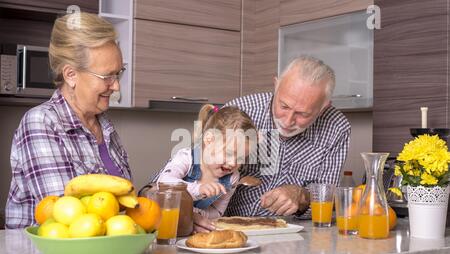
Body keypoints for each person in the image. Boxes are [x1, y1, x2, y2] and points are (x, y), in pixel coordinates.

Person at [5, 12, 131, 229]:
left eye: (118, 74)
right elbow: (67, 217)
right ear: (71, 75)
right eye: (107, 76)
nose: (116, 86)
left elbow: (125, 201)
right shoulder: (40, 122)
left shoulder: (105, 126)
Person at [199, 56, 349, 229]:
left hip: (290, 233)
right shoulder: (239, 111)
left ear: (324, 107)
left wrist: (303, 197)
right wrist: (191, 212)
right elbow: (187, 174)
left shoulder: (337, 128)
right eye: (284, 106)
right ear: (276, 85)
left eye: (303, 114)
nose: (288, 120)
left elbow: (326, 200)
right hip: (222, 227)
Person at [155, 104, 257, 232]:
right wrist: (198, 190)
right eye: (229, 153)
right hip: (166, 228)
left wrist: (199, 215)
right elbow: (163, 182)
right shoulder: (187, 157)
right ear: (209, 140)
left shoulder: (232, 178)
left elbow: (217, 211)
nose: (232, 163)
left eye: (241, 158)